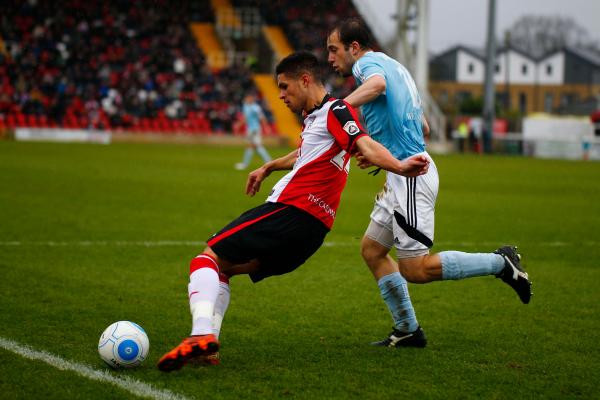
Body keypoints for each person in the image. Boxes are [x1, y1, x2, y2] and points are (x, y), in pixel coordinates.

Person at [157, 51, 430, 372]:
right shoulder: (320, 119)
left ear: (305, 80)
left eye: (284, 87)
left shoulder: (336, 110)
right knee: (224, 270)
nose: (281, 95)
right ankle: (207, 349)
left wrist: (398, 166)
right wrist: (269, 166)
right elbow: (306, 152)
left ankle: (200, 334)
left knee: (206, 258)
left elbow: (364, 144)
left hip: (291, 211)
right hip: (310, 234)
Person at [326, 18, 532, 348]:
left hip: (411, 177)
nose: (330, 58)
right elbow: (423, 126)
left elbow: (377, 86)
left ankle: (501, 263)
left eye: (333, 50)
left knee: (415, 269)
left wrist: (340, 107)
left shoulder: (366, 65)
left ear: (354, 48)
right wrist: (384, 152)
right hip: (403, 172)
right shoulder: (398, 68)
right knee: (373, 250)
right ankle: (407, 328)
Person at [235, 94, 272, 170]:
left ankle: (269, 162)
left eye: (249, 98)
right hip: (250, 129)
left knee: (255, 146)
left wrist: (266, 127)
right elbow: (245, 118)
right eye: (246, 98)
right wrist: (239, 124)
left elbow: (262, 118)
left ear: (252, 99)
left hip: (255, 129)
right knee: (253, 146)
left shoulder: (255, 108)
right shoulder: (245, 106)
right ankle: (268, 161)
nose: (247, 100)